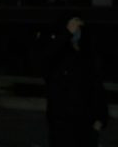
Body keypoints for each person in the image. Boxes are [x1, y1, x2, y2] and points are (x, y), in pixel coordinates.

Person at [42, 14, 108, 147]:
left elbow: (97, 86)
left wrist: (101, 118)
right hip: (61, 124)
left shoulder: (88, 55)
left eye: (79, 26)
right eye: (73, 26)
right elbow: (45, 60)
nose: (76, 30)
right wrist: (65, 34)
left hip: (86, 124)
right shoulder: (59, 55)